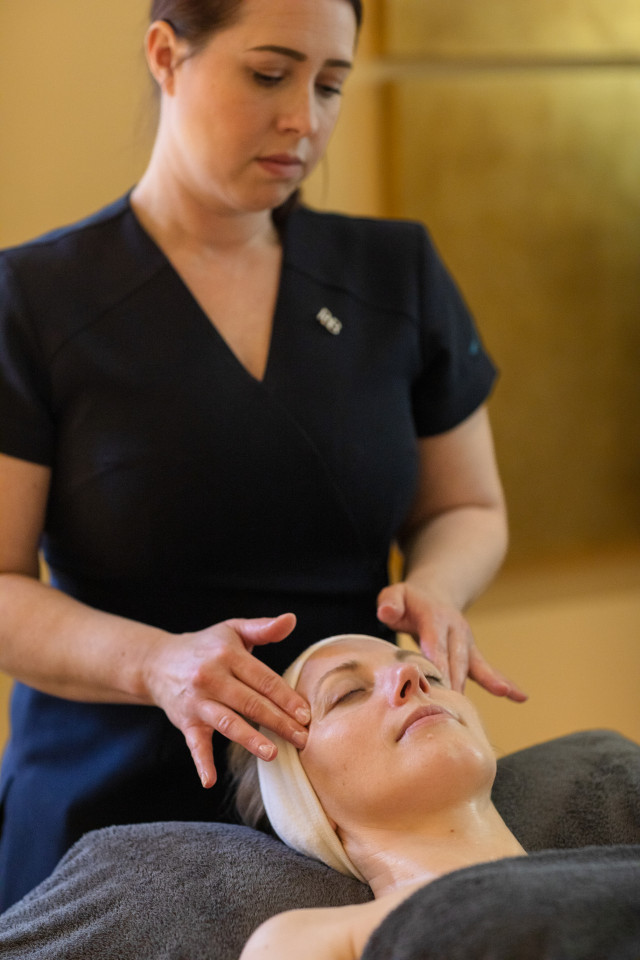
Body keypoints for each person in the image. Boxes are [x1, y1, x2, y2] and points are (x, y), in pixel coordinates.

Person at [0, 0, 525, 910]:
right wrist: (158, 665)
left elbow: (466, 508)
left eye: (330, 86)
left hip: (347, 803)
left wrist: (437, 585)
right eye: (269, 74)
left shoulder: (394, 273)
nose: (305, 120)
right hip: (111, 808)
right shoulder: (32, 300)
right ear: (167, 54)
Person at [232, 633, 527, 959]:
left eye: (431, 675)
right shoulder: (310, 941)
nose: (412, 677)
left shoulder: (592, 866)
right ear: (305, 806)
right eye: (347, 693)